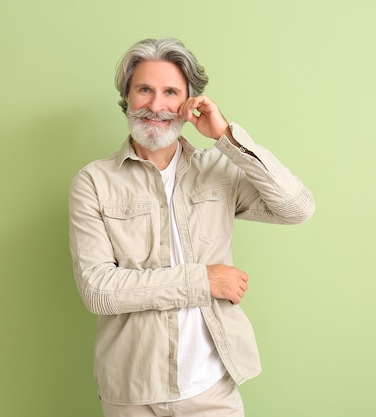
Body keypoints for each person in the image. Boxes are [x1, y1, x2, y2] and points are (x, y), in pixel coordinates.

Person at [68, 37, 315, 417]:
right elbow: (98, 290)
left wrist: (226, 138)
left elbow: (297, 208)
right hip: (132, 393)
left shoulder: (218, 170)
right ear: (127, 98)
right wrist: (204, 281)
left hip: (212, 388)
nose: (155, 105)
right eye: (144, 90)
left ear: (189, 103)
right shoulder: (93, 181)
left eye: (171, 92)